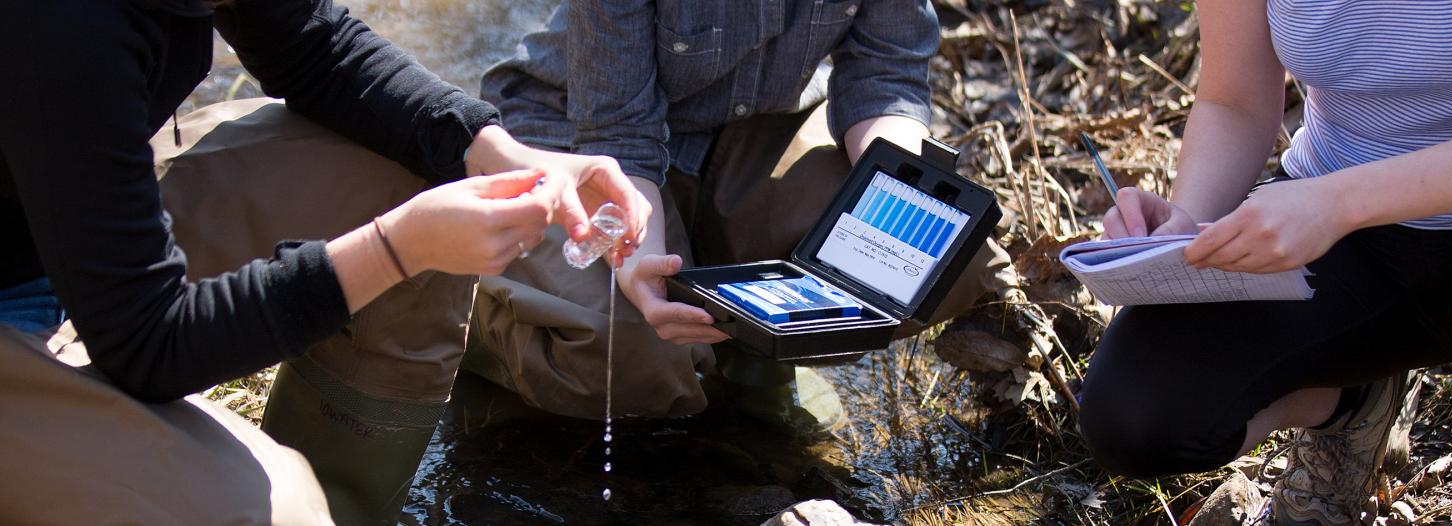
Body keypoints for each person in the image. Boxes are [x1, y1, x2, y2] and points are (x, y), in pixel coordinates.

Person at [0, 0, 649, 524]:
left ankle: (348, 508)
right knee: (271, 510)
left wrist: (492, 149)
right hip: (48, 290)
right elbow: (148, 344)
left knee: (421, 172)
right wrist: (398, 248)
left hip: (66, 208)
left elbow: (313, 46)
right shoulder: (57, 28)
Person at [1074, 0, 1452, 524]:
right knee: (1134, 414)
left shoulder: (1338, 205)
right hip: (1345, 245)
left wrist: (1338, 203)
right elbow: (1234, 101)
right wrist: (1187, 222)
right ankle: (1353, 404)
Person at [471, 0, 1016, 428]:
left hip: (752, 133)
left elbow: (885, 78)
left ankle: (750, 350)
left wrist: (901, 187)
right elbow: (620, 137)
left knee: (952, 261)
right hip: (575, 142)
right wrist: (641, 267)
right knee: (629, 362)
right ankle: (471, 306)